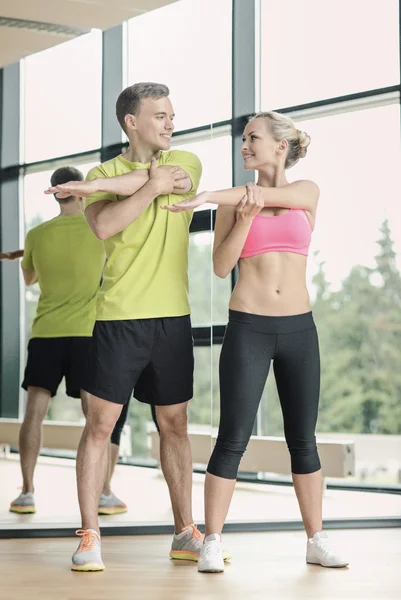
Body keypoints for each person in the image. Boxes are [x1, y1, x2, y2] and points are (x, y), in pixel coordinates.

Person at [47, 82, 230, 572]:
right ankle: (89, 535)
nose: (172, 122)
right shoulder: (102, 172)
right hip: (117, 317)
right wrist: (124, 186)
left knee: (175, 425)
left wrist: (102, 191)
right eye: (161, 115)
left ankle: (184, 531)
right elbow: (106, 226)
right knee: (99, 426)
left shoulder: (185, 162)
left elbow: (158, 183)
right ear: (132, 122)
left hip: (172, 317)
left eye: (172, 114)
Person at [163, 111, 349, 572]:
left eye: (253, 138)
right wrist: (240, 217)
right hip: (249, 327)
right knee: (232, 439)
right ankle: (212, 540)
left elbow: (270, 195)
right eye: (243, 139)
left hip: (299, 329)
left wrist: (206, 194)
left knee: (303, 441)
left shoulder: (306, 192)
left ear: (280, 145)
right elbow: (222, 266)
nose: (244, 146)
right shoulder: (234, 204)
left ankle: (316, 538)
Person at [6, 167, 106, 516]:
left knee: (35, 411)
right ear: (79, 191)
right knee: (95, 416)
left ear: (54, 192)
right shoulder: (99, 231)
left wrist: (26, 255)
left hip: (47, 333)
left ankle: (27, 492)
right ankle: (104, 491)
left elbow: (30, 278)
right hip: (85, 334)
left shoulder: (37, 234)